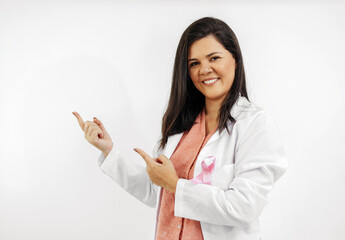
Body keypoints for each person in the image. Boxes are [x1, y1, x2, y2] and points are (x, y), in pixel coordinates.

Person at [73, 17, 287, 240]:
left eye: (214, 58)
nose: (204, 69)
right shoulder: (180, 124)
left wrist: (177, 185)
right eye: (194, 63)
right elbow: (157, 191)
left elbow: (244, 207)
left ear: (235, 60)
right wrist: (109, 151)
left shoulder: (255, 124)